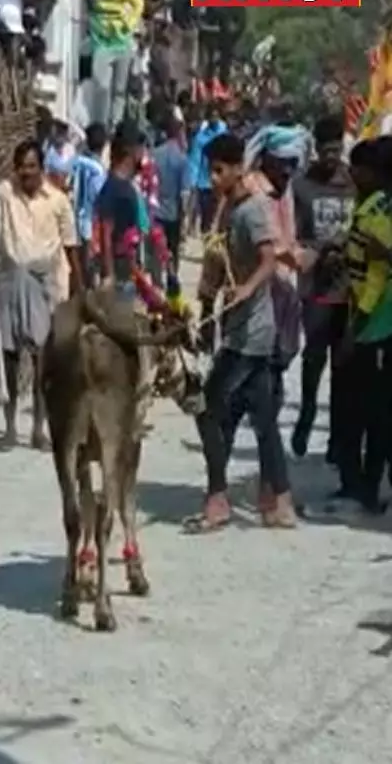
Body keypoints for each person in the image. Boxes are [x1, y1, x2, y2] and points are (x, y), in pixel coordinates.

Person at [191, 132, 295, 531]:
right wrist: (206, 308)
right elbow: (216, 264)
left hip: (252, 331)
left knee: (209, 408)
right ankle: (278, 501)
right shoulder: (226, 209)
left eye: (219, 170)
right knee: (263, 418)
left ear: (237, 168)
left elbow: (270, 259)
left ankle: (218, 497)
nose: (214, 178)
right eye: (210, 170)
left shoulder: (252, 210)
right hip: (237, 327)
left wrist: (247, 289)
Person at [0, 139, 82, 450]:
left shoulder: (58, 201)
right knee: (10, 358)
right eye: (21, 168)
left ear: (41, 168)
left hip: (45, 285)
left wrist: (77, 292)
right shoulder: (3, 194)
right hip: (10, 280)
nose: (26, 174)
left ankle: (38, 429)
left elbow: (71, 247)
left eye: (31, 167)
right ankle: (8, 427)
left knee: (42, 361)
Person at [291, 117, 357, 475]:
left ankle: (337, 440)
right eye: (326, 150)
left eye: (337, 150)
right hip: (316, 288)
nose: (332, 157)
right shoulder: (303, 185)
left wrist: (339, 246)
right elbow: (296, 235)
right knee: (313, 359)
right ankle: (306, 412)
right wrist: (315, 251)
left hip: (349, 290)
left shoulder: (354, 183)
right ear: (316, 148)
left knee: (344, 370)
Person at [337, 138, 392, 514]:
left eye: (357, 168)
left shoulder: (376, 211)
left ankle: (366, 488)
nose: (351, 174)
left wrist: (355, 329)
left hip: (374, 322)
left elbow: (375, 276)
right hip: (371, 319)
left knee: (371, 411)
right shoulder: (371, 205)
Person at [65, 0, 144, 129]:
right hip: (102, 45)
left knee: (119, 89)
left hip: (122, 44)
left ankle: (114, 124)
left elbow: (139, 3)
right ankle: (100, 123)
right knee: (101, 86)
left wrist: (129, 22)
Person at [92, 124, 144, 291]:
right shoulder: (113, 188)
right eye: (141, 147)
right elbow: (105, 232)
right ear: (131, 151)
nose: (143, 152)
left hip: (127, 264)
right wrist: (109, 274)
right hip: (118, 266)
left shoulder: (125, 186)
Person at [68, 123, 110, 285]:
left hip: (73, 219)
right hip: (90, 223)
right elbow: (98, 198)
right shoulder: (98, 170)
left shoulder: (76, 161)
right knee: (89, 269)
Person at [152, 113, 190, 272]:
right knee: (172, 251)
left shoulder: (154, 154)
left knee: (155, 252)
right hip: (173, 213)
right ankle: (172, 283)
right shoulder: (182, 158)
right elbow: (184, 193)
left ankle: (156, 285)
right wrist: (185, 216)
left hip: (155, 211)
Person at [189, 104, 229, 234]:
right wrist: (193, 183)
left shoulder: (224, 133)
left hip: (222, 182)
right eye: (212, 116)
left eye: (216, 116)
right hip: (205, 182)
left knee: (221, 216)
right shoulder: (200, 137)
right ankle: (207, 241)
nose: (214, 119)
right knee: (207, 216)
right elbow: (195, 161)